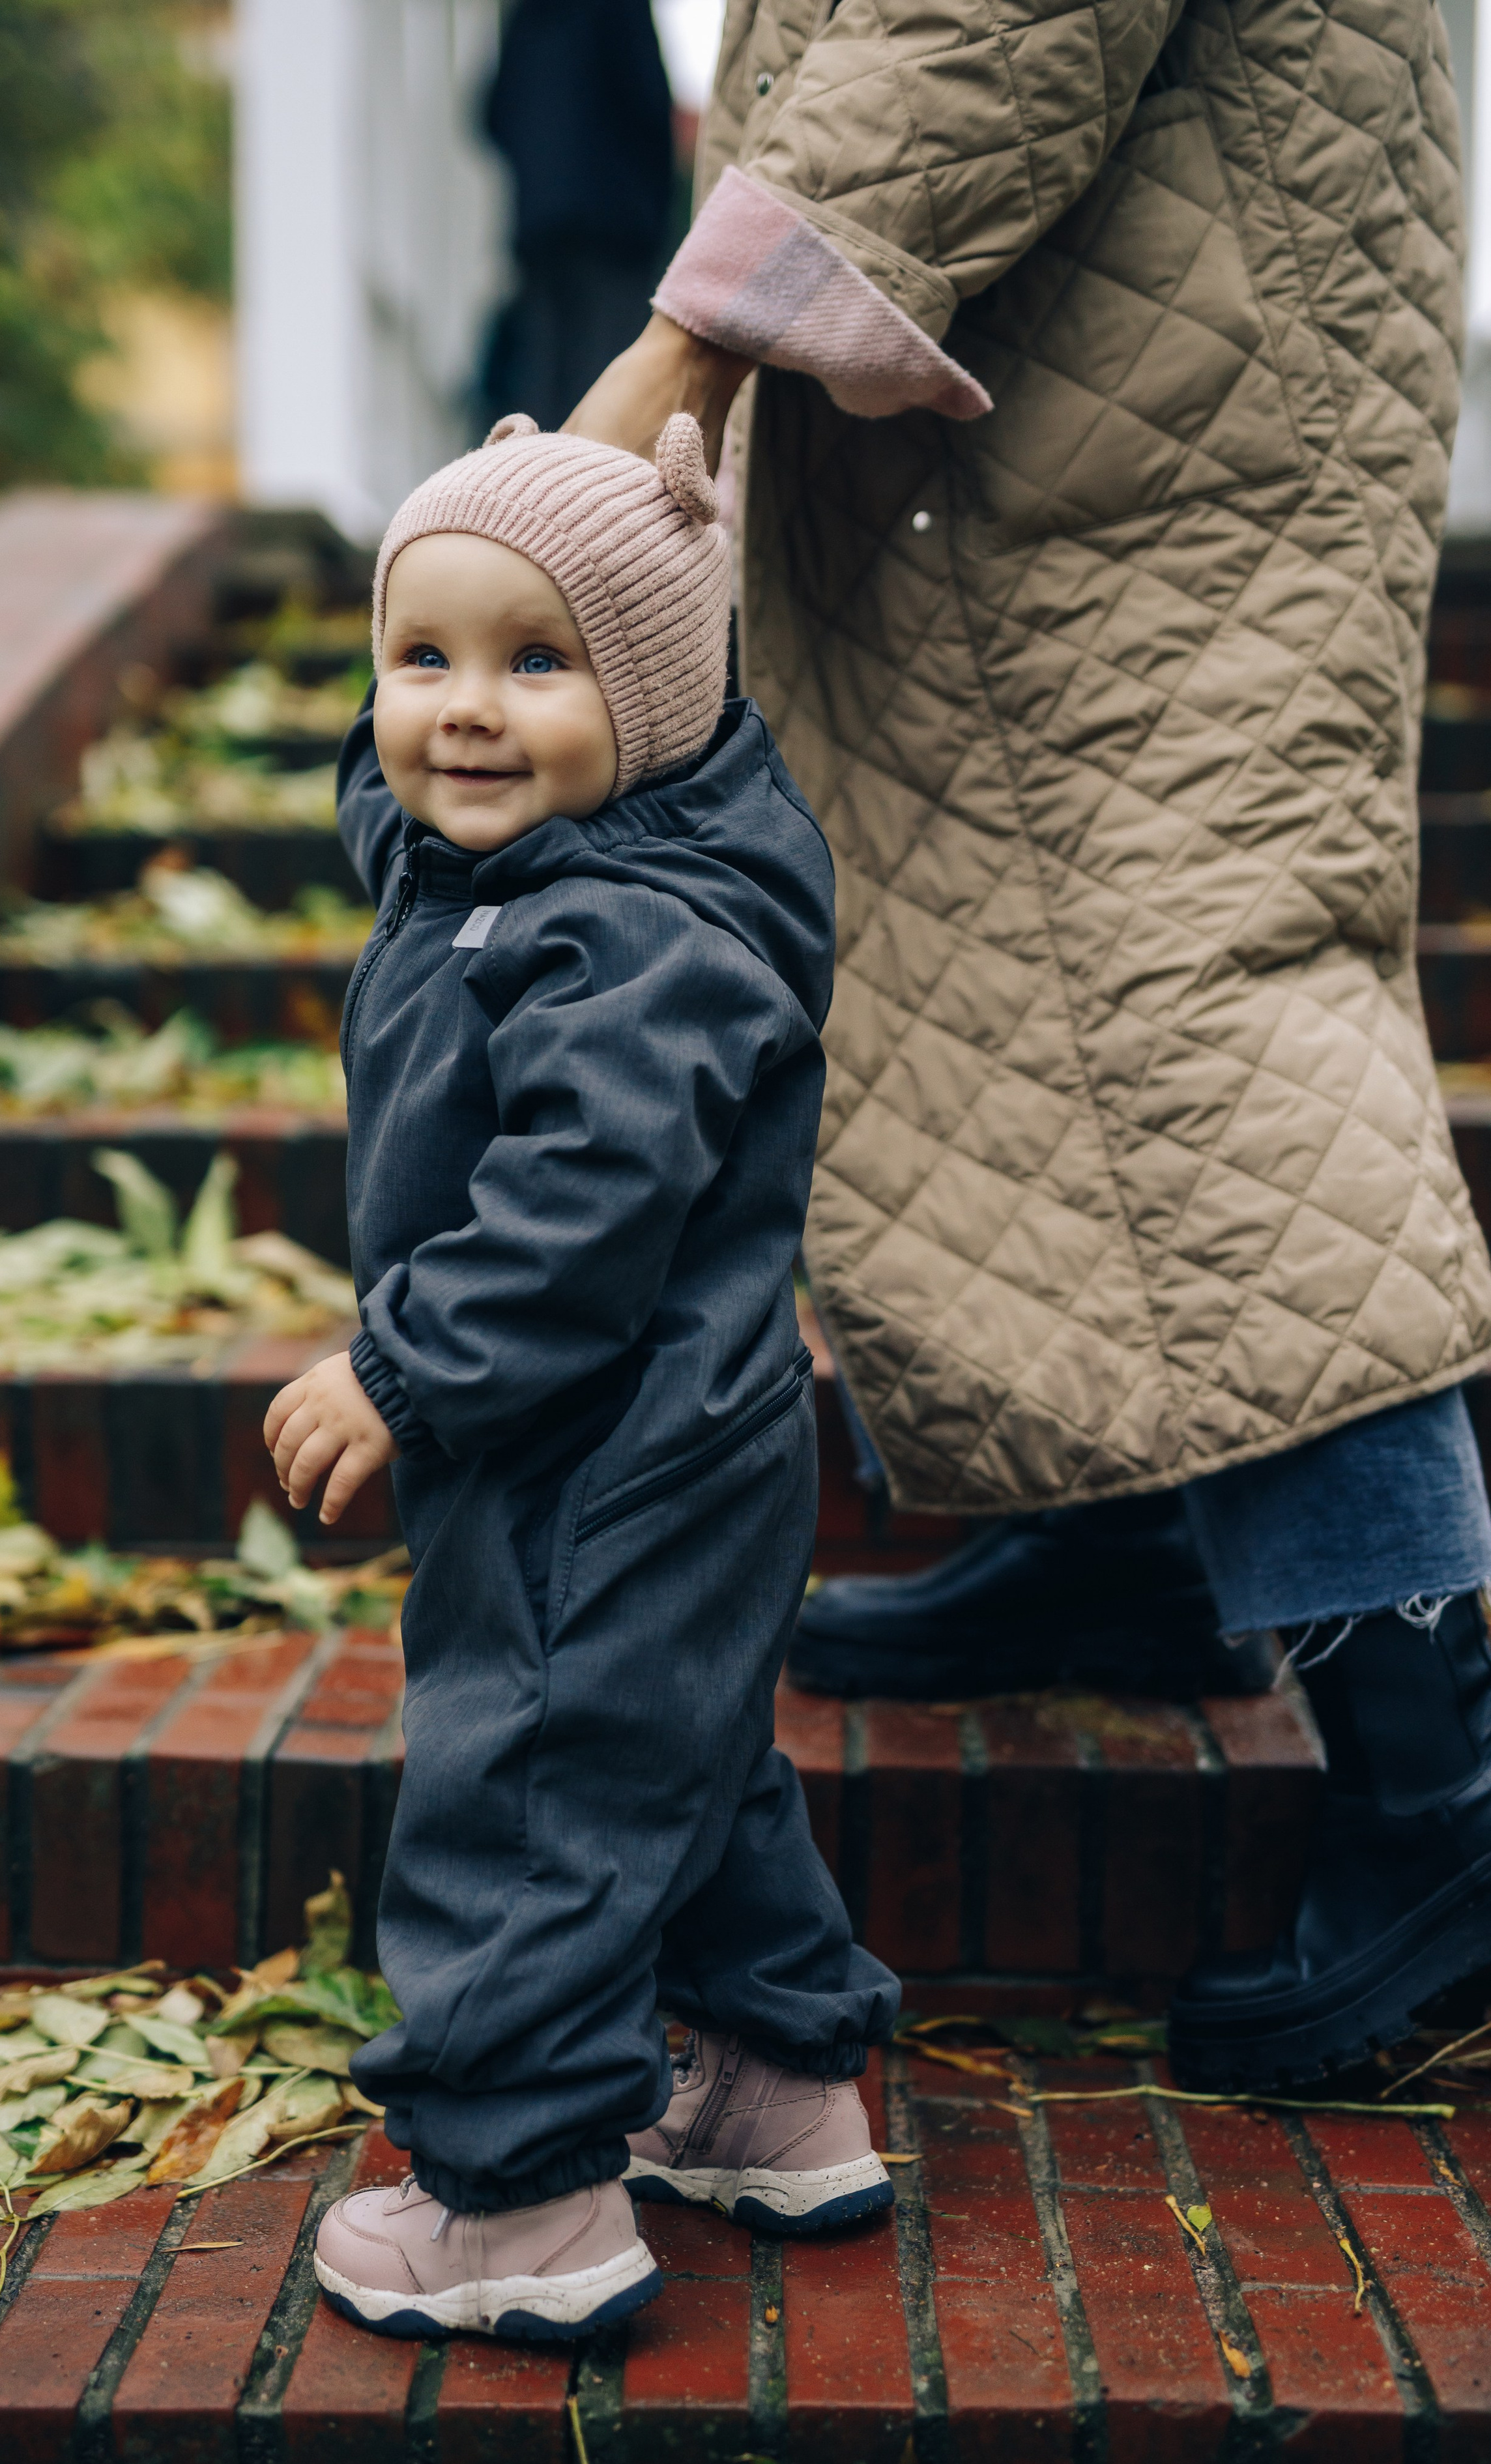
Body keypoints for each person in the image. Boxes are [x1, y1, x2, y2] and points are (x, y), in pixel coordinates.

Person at [563, 0, 1491, 2091]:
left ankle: (1444, 1802)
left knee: (1205, 1035)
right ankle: (1128, 1534)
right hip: (1106, 380)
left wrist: (699, 328)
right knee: (1057, 1010)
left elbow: (991, 16)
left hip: (1142, 426)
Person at [263, 413, 898, 2341]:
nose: (464, 711)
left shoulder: (632, 936)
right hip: (674, 1437)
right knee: (677, 1751)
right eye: (420, 656)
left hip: (591, 1440)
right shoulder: (573, 852)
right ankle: (777, 2089)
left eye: (535, 664)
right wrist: (459, 724)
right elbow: (421, 807)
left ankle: (520, 2196)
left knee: (532, 1780)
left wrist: (401, 1363)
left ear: (656, 696)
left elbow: (574, 1208)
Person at [480, 0, 676, 433]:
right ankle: (598, 498)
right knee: (608, 385)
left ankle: (534, 495)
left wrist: (540, 166)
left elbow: (490, 114)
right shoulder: (620, 8)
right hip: (617, 225)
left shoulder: (528, 14)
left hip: (542, 229)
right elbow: (648, 97)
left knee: (541, 390)